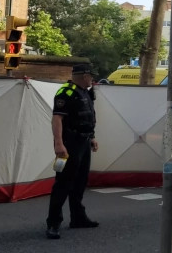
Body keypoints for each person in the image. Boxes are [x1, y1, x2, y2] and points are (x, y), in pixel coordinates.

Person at [46, 64, 100, 240]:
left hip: (84, 143)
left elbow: (87, 117)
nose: (92, 79)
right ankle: (53, 223)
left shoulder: (86, 92)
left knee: (80, 182)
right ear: (84, 76)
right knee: (63, 183)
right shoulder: (66, 93)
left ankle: (78, 217)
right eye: (90, 76)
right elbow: (57, 119)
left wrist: (91, 137)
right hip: (69, 144)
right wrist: (59, 144)